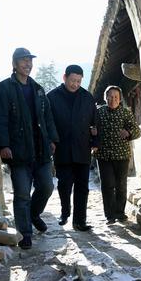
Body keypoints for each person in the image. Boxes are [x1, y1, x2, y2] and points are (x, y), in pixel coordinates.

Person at [0, 47, 59, 249]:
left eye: (30, 61)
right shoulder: (4, 89)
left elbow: (48, 117)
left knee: (47, 186)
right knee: (22, 194)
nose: (27, 64)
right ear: (14, 64)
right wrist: (3, 144)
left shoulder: (38, 89)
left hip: (41, 150)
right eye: (23, 60)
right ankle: (25, 233)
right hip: (19, 151)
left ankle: (34, 214)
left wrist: (52, 139)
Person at [47, 65, 98, 231]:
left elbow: (95, 122)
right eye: (72, 80)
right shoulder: (52, 97)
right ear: (65, 77)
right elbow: (48, 123)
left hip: (82, 148)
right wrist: (51, 141)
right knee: (64, 184)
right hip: (62, 149)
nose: (75, 84)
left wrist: (95, 142)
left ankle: (79, 221)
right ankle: (65, 211)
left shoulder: (87, 97)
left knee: (82, 187)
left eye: (78, 81)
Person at [96, 85, 141, 224]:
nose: (113, 99)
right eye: (110, 96)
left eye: (116, 97)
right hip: (104, 155)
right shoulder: (98, 112)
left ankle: (120, 213)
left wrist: (128, 133)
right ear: (105, 97)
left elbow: (137, 131)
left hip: (122, 155)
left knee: (121, 185)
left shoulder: (126, 113)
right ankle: (109, 215)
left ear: (120, 99)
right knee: (107, 185)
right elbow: (90, 127)